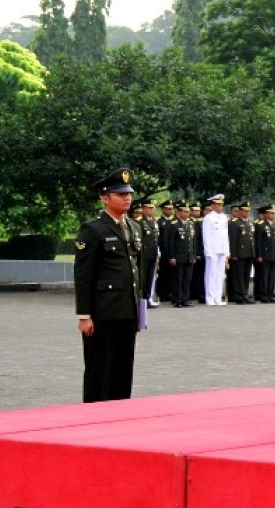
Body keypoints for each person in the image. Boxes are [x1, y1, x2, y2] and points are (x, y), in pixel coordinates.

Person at [74, 168, 143, 403]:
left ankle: (119, 416)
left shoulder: (134, 227)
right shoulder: (93, 229)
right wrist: (84, 315)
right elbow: (83, 275)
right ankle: (93, 417)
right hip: (103, 313)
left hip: (127, 311)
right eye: (120, 194)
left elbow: (137, 272)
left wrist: (139, 313)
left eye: (129, 194)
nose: (127, 198)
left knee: (123, 370)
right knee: (99, 370)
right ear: (105, 197)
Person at [167, 200, 196, 307]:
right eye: (184, 212)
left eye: (188, 212)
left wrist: (194, 254)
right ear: (179, 212)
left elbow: (193, 242)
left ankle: (185, 298)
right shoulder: (174, 225)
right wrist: (172, 257)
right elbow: (170, 243)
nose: (187, 214)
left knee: (187, 279)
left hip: (189, 256)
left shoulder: (190, 224)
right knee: (178, 279)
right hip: (178, 256)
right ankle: (177, 299)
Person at [202, 193, 229, 305]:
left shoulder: (224, 218)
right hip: (213, 250)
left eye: (221, 205)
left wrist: (227, 251)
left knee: (220, 275)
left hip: (222, 249)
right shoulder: (208, 218)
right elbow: (206, 236)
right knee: (211, 275)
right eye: (218, 205)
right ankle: (210, 298)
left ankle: (218, 298)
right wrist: (208, 251)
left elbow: (226, 235)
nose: (220, 207)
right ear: (213, 206)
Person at [228, 201, 256, 304]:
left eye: (248, 211)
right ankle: (239, 295)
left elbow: (252, 239)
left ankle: (244, 293)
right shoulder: (234, 223)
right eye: (245, 211)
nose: (247, 213)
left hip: (249, 253)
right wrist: (234, 254)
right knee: (238, 275)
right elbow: (233, 240)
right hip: (239, 254)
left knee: (246, 275)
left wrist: (254, 253)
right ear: (239, 211)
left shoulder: (250, 223)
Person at [136, 198, 159, 308]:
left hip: (153, 253)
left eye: (153, 208)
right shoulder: (139, 222)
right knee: (143, 278)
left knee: (150, 278)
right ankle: (142, 300)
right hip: (143, 254)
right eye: (149, 208)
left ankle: (147, 298)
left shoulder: (154, 221)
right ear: (144, 208)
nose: (152, 210)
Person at [255, 204, 275, 303]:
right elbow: (259, 242)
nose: (273, 215)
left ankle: (270, 294)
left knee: (272, 276)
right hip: (265, 254)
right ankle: (263, 294)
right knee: (264, 276)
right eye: (271, 213)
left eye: (274, 213)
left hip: (273, 254)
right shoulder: (261, 225)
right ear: (265, 214)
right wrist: (259, 255)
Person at [156, 199, 176, 303]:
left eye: (172, 209)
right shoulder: (159, 222)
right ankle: (162, 294)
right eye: (168, 209)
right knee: (163, 274)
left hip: (172, 252)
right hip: (163, 252)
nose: (170, 211)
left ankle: (170, 293)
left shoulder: (173, 222)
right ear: (163, 209)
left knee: (172, 275)